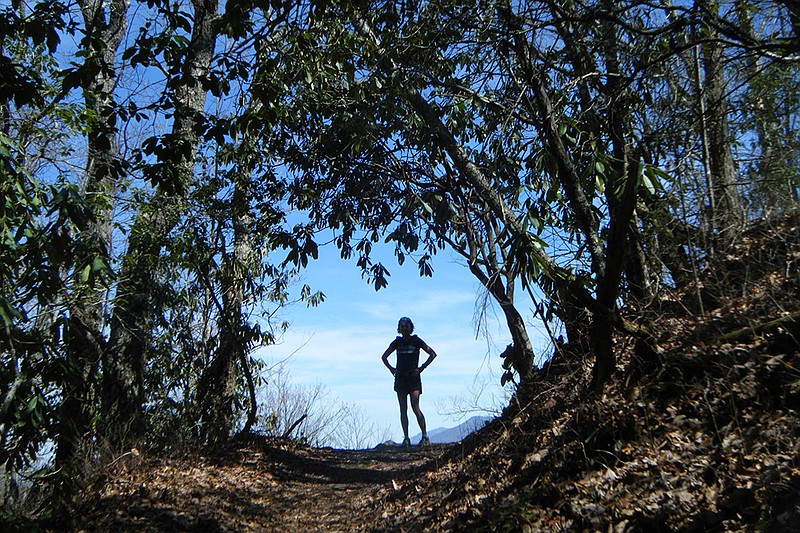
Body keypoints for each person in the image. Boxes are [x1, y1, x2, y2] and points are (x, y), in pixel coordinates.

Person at [381, 316, 438, 447]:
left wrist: (421, 368)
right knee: (403, 409)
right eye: (402, 326)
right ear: (399, 328)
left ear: (411, 327)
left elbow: (432, 354)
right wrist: (392, 369)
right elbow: (384, 357)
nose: (404, 328)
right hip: (400, 378)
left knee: (415, 407)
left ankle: (424, 436)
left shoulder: (416, 341)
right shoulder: (397, 342)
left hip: (413, 379)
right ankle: (406, 438)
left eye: (406, 326)